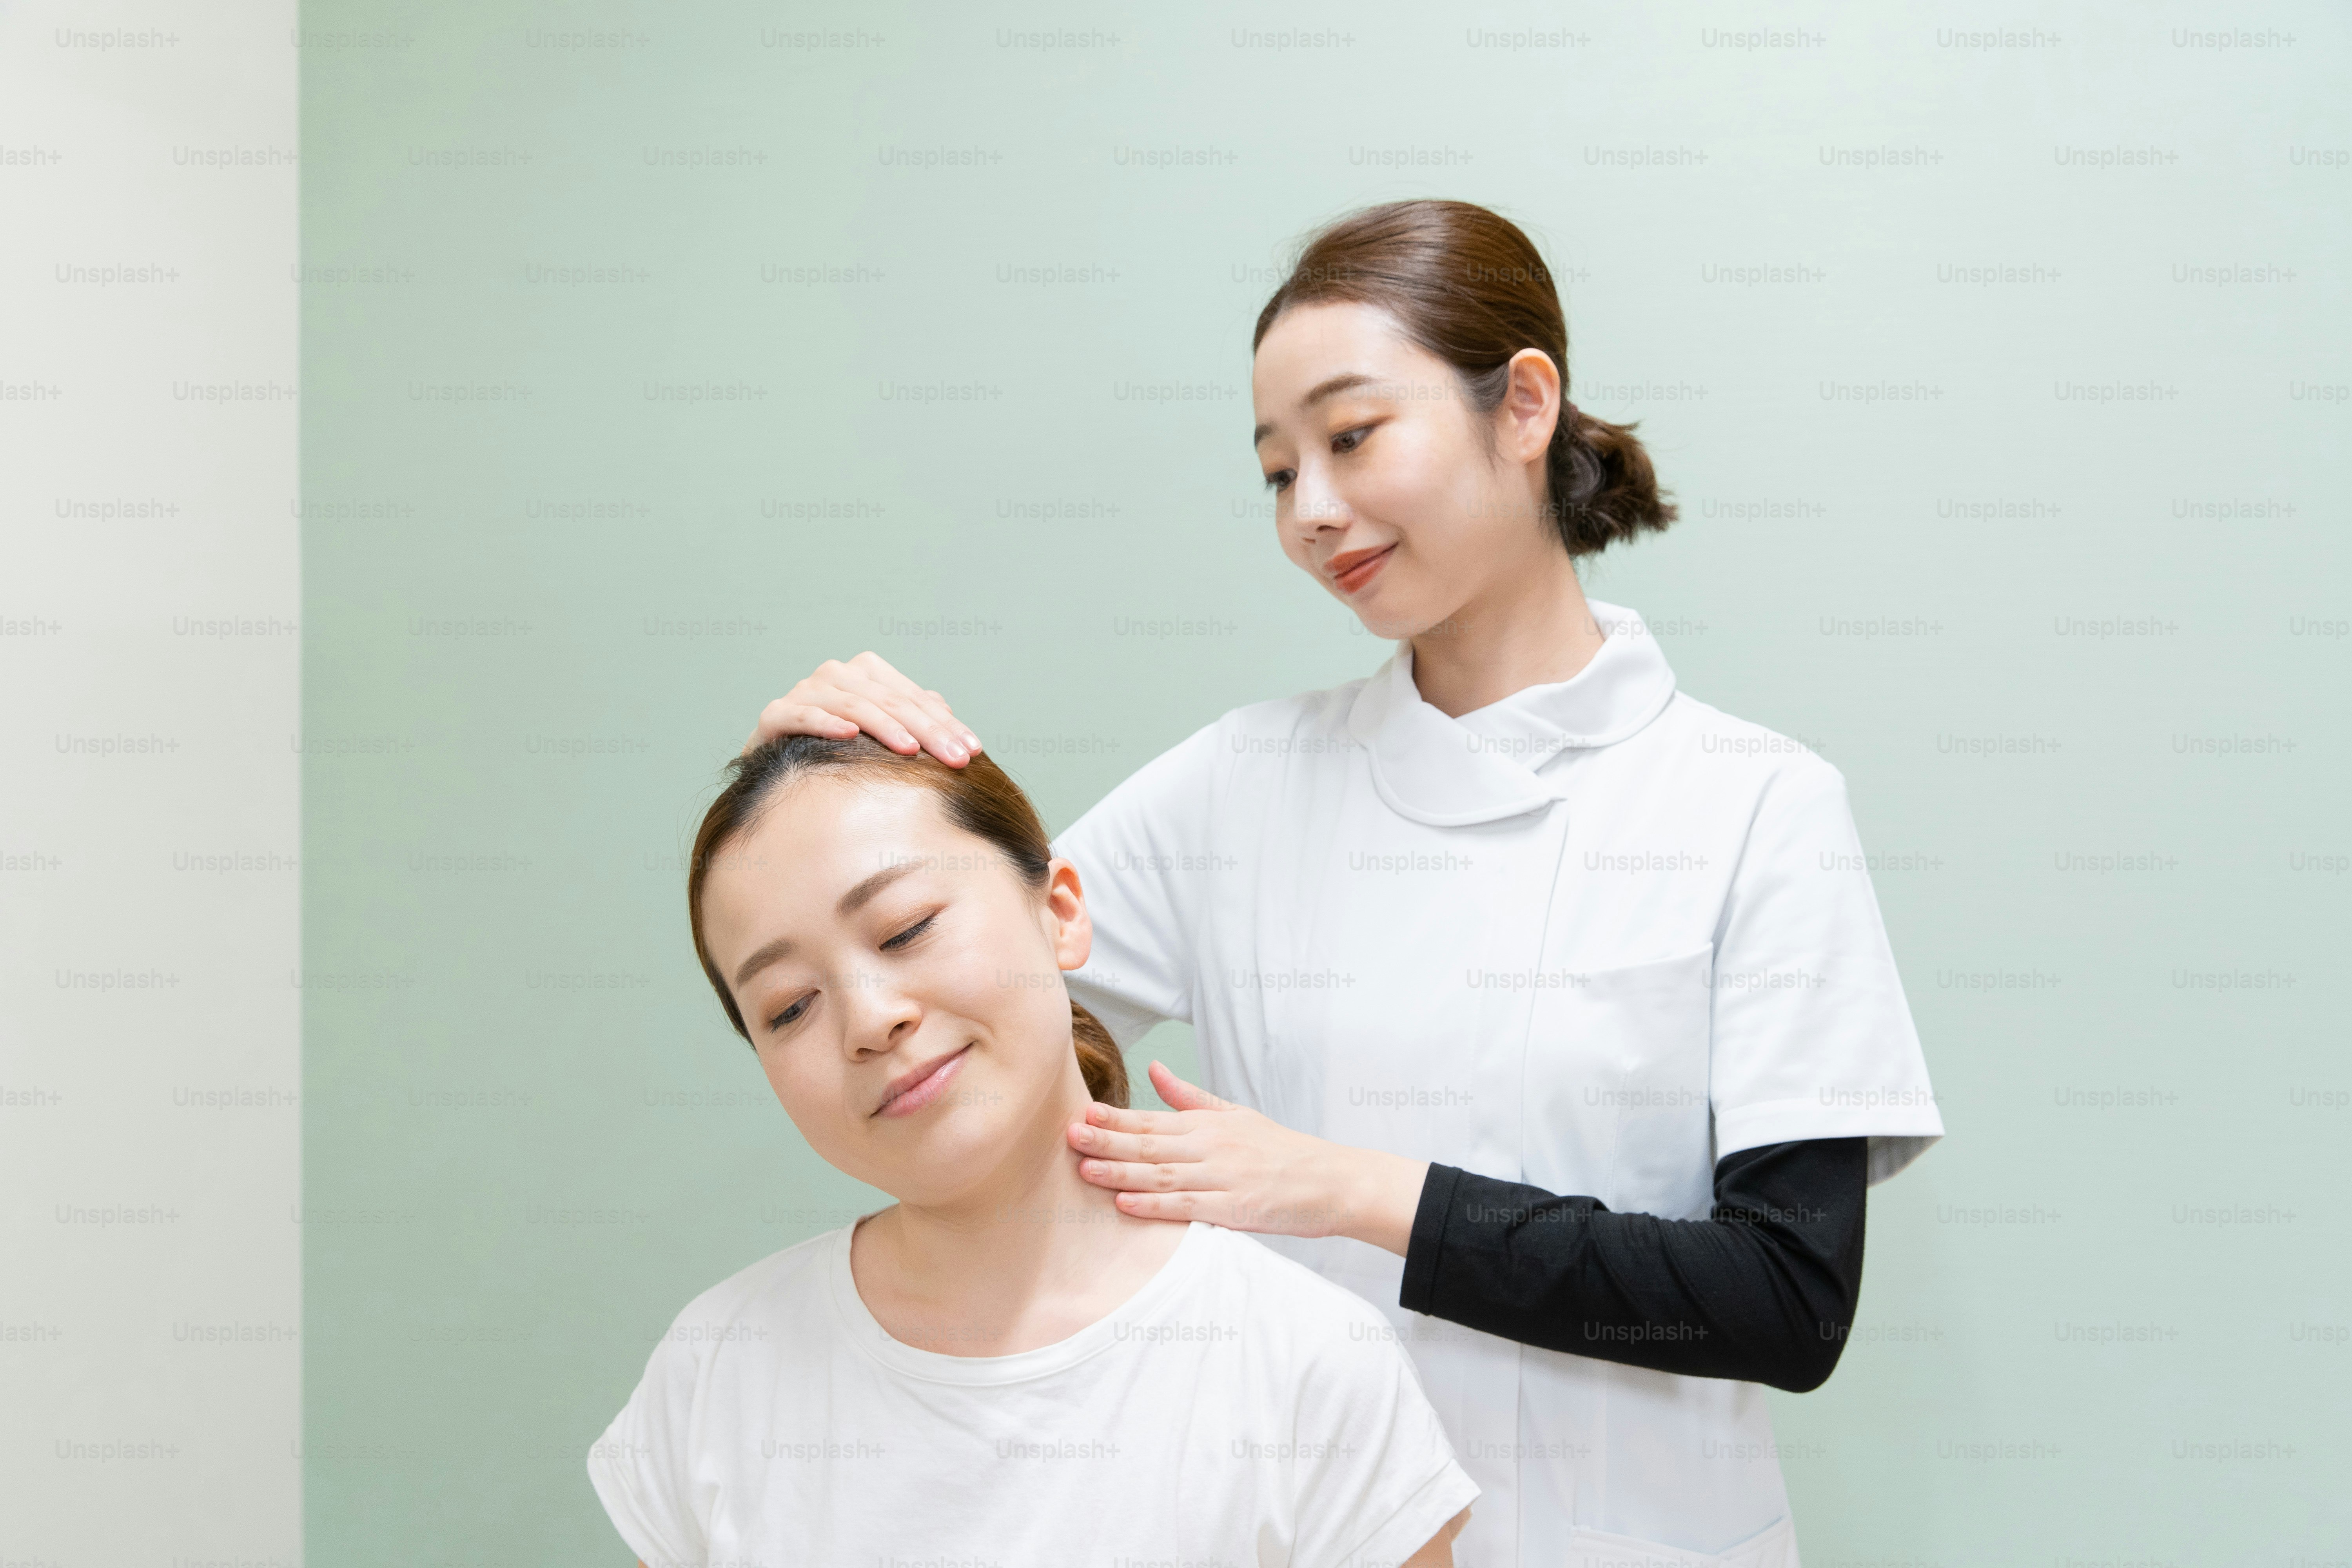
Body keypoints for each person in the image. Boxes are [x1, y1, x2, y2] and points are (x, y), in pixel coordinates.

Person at [748, 199, 1945, 1567]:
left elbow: (1786, 1302)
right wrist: (826, 764)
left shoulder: (1756, 805)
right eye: (1277, 471)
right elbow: (965, 988)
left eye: (1353, 436)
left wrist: (1342, 1189)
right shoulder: (1239, 785)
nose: (1312, 511)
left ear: (1525, 405)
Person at [586, 733, 1478, 1568]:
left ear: (1060, 912)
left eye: (905, 930)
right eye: (788, 1006)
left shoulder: (1305, 1368)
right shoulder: (719, 1367)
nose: (869, 1018)